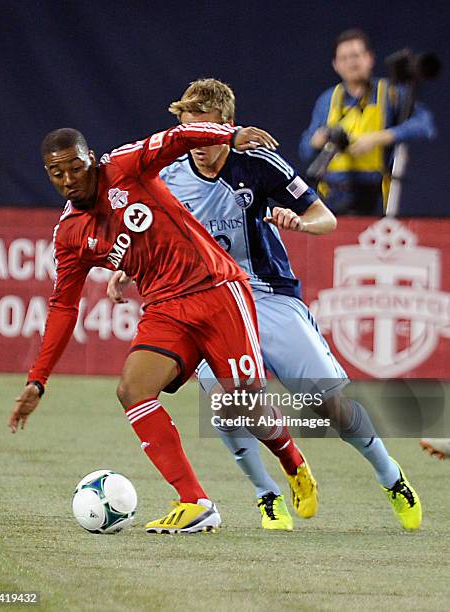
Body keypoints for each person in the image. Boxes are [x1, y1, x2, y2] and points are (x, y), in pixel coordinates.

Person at [109, 78, 422, 531]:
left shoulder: (256, 163)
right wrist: (126, 265)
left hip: (266, 293)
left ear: (227, 126)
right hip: (204, 297)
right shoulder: (169, 172)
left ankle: (389, 473)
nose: (195, 140)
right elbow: (146, 230)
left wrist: (300, 222)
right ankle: (266, 493)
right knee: (226, 403)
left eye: (204, 128)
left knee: (328, 404)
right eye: (187, 129)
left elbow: (325, 217)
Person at [7, 120, 291, 534]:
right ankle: (195, 501)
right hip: (165, 307)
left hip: (215, 288)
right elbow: (63, 307)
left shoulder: (123, 166)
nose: (69, 179)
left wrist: (228, 136)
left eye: (75, 167)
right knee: (132, 390)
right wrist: (38, 381)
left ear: (91, 159)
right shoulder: (69, 234)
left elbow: (179, 137)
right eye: (56, 173)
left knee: (245, 405)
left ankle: (291, 460)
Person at [299, 28, 436, 215]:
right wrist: (317, 140)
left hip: (375, 196)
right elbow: (305, 150)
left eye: (356, 55)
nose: (351, 63)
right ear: (335, 65)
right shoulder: (328, 99)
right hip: (332, 196)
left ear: (369, 58)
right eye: (344, 58)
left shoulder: (390, 93)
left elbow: (425, 125)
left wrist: (380, 137)